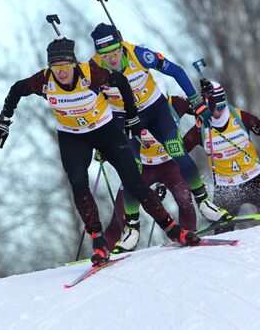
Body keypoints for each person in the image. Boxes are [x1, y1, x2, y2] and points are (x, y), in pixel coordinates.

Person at [0, 37, 200, 266]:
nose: (61, 73)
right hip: (72, 136)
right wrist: (4, 122)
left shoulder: (90, 73)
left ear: (74, 64)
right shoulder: (43, 80)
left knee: (134, 182)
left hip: (104, 130)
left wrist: (131, 116)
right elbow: (16, 90)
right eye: (56, 68)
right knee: (79, 182)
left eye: (65, 67)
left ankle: (173, 230)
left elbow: (121, 81)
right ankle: (99, 242)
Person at [89, 23, 229, 251]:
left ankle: (204, 203)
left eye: (114, 53)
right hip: (124, 119)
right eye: (105, 55)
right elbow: (91, 104)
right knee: (129, 169)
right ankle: (132, 229)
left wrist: (195, 101)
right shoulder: (93, 70)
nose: (111, 59)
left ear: (121, 46)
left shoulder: (139, 55)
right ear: (98, 54)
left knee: (178, 152)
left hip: (155, 110)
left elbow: (176, 71)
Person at [183, 80, 260, 232]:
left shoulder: (241, 118)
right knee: (222, 234)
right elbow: (179, 153)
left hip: (255, 181)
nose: (216, 113)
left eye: (220, 107)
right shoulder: (200, 129)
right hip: (226, 188)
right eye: (213, 109)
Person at [104, 94, 198, 252]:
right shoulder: (125, 109)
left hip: (169, 164)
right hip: (144, 168)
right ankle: (106, 249)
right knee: (121, 208)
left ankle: (190, 234)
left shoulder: (175, 103)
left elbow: (202, 107)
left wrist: (205, 108)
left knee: (184, 197)